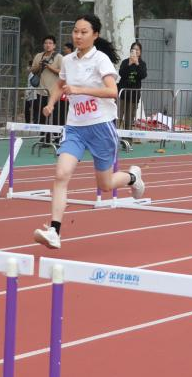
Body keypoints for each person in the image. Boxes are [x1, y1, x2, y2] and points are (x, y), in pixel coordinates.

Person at [33, 14, 146, 249]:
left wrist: (80, 89)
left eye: (84, 32)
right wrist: (51, 103)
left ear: (95, 35)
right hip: (75, 127)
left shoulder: (100, 60)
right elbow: (60, 84)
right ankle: (54, 231)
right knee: (61, 174)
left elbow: (112, 91)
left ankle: (133, 178)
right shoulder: (68, 60)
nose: (78, 36)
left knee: (105, 185)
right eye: (75, 31)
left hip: (101, 126)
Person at [28, 35, 63, 143]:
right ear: (43, 45)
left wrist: (49, 67)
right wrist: (40, 66)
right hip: (41, 91)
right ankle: (45, 138)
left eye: (50, 43)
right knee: (42, 115)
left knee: (56, 116)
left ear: (54, 45)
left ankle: (57, 138)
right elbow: (33, 70)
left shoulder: (59, 57)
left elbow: (62, 72)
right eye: (46, 43)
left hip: (54, 93)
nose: (48, 45)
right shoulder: (39, 56)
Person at [118, 42, 147, 133]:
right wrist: (129, 64)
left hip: (133, 96)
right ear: (130, 51)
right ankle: (114, 138)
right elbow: (121, 73)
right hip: (122, 95)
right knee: (118, 117)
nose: (135, 51)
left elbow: (143, 75)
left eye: (137, 50)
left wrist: (137, 63)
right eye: (133, 49)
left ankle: (127, 139)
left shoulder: (142, 64)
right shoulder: (125, 62)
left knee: (129, 119)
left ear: (140, 52)